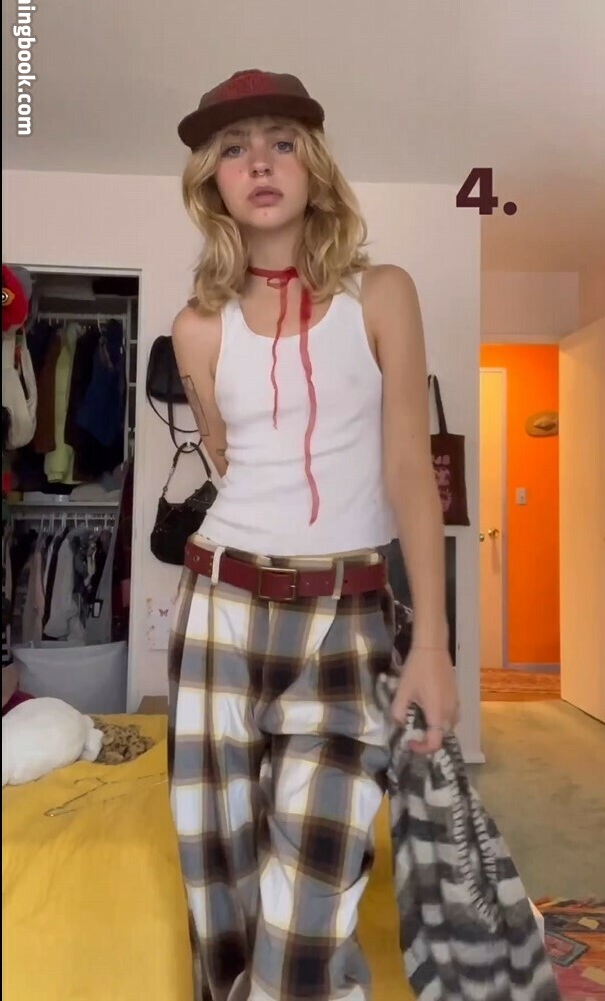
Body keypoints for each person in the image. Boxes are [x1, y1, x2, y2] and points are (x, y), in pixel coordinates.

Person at [168, 69, 459, 1001]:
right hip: (218, 610)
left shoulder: (383, 294)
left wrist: (433, 645)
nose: (259, 162)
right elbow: (227, 463)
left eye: (282, 142)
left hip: (348, 619)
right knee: (220, 893)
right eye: (235, 148)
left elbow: (409, 470)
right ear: (212, 180)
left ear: (314, 165)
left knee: (307, 914)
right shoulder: (196, 328)